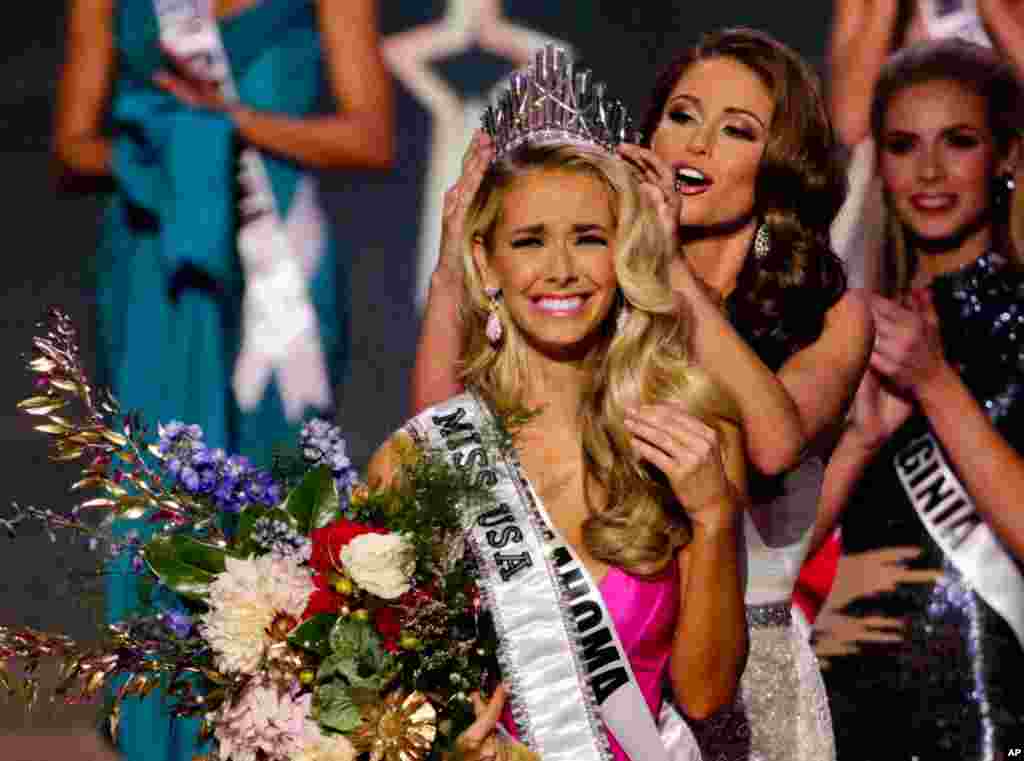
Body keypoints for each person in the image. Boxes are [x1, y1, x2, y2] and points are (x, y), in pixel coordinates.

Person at [411, 28, 871, 761]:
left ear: (779, 161)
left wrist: (673, 275)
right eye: (682, 116)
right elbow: (441, 440)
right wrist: (450, 262)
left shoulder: (829, 309)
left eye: (736, 130)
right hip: (593, 665)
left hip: (747, 679)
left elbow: (773, 442)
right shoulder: (597, 287)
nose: (695, 146)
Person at [52, 2, 393, 760]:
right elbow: (71, 148)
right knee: (155, 502)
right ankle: (154, 737)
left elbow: (370, 137)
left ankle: (290, 736)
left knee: (280, 495)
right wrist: (166, 148)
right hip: (157, 266)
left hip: (280, 272)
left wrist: (231, 120)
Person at [374, 95, 750, 759]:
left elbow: (707, 696)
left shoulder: (690, 438)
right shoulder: (422, 456)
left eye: (588, 238)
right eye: (530, 241)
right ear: (487, 264)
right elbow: (373, 685)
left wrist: (716, 517)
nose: (561, 269)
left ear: (623, 255)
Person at [814, 39, 1024, 760]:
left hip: (995, 718)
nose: (929, 171)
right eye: (904, 146)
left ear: (1007, 157)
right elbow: (770, 561)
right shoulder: (845, 329)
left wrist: (935, 383)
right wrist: (860, 440)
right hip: (850, 712)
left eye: (958, 142)